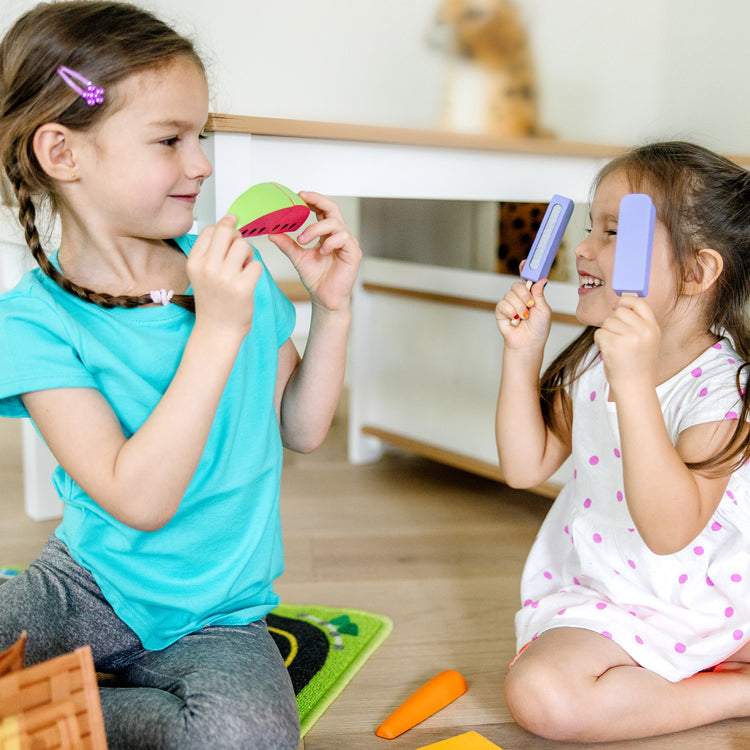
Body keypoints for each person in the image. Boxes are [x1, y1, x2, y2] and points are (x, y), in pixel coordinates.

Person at [0, 2, 361, 748]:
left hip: (218, 614)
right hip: (87, 589)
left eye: (202, 136)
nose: (200, 164)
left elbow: (298, 426)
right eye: (170, 140)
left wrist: (331, 311)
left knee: (246, 740)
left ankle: (50, 710)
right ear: (63, 154)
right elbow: (140, 499)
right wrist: (217, 330)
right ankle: (55, 696)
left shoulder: (235, 274)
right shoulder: (33, 323)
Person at [495, 141, 750, 742]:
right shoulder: (591, 359)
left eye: (613, 231)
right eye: (590, 225)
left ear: (696, 272)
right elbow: (524, 466)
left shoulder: (726, 392)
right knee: (542, 697)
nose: (583, 248)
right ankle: (734, 690)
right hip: (611, 598)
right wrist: (521, 354)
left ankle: (712, 661)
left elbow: (670, 530)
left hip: (722, 598)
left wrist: (632, 381)